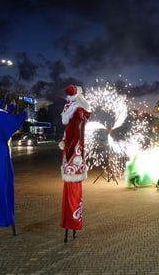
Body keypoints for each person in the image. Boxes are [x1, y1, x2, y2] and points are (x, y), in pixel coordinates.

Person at [0, 100, 27, 242]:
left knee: (4, 182)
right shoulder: (1, 117)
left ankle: (5, 217)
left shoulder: (0, 115)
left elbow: (7, 119)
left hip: (2, 151)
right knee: (3, 182)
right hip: (3, 152)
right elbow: (13, 121)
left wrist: (12, 107)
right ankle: (2, 217)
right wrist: (24, 113)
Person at [59, 85, 91, 241]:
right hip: (73, 155)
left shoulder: (73, 110)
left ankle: (70, 221)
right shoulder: (76, 109)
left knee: (71, 193)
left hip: (71, 155)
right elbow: (86, 115)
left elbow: (73, 132)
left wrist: (68, 146)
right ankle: (72, 221)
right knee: (73, 193)